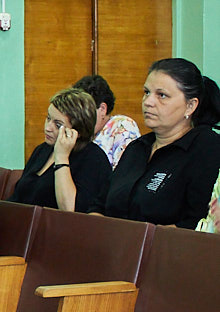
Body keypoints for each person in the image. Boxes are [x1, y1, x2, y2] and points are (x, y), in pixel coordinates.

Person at [91, 58, 220, 228]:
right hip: (113, 241)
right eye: (146, 92)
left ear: (190, 106)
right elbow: (99, 206)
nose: (148, 102)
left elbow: (197, 222)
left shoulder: (207, 147)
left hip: (166, 245)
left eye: (162, 95)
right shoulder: (137, 148)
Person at [9, 88, 111, 212]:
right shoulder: (42, 150)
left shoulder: (94, 159)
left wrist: (62, 158)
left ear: (78, 131)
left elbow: (70, 210)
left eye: (58, 125)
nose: (48, 128)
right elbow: (17, 197)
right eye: (48, 118)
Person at [75, 74, 139, 169]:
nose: (79, 117)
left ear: (102, 109)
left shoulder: (122, 125)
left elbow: (125, 171)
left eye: (84, 111)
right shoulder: (81, 132)